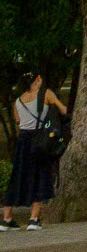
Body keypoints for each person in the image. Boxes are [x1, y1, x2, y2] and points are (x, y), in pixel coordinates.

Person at [1, 73, 67, 230]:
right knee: (39, 175)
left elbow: (18, 120)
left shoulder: (18, 100)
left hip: (22, 141)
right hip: (38, 140)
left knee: (17, 176)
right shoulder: (46, 94)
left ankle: (7, 218)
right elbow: (63, 110)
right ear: (37, 80)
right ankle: (33, 218)